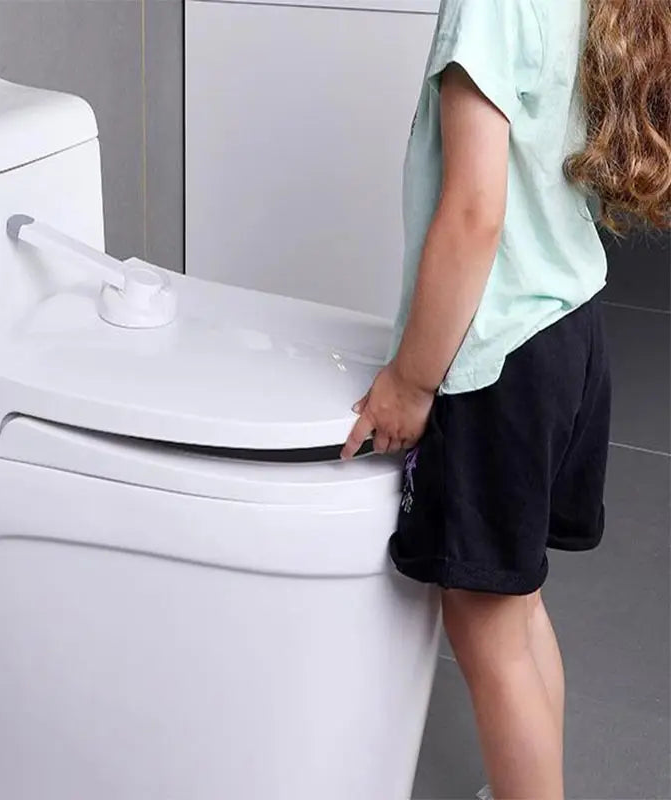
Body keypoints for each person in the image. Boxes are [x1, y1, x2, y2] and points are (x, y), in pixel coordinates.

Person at [340, 0, 671, 797]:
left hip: (501, 357)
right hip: (569, 327)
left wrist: (410, 381)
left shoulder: (489, 6)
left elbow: (474, 212)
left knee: (483, 625)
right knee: (515, 608)